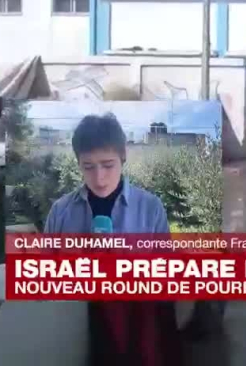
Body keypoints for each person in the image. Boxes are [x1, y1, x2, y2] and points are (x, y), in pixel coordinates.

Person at [44, 113, 182, 366]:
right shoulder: (60, 212)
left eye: (108, 165)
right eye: (88, 167)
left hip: (134, 338)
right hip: (69, 338)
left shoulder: (150, 207)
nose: (99, 178)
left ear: (123, 157)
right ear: (78, 163)